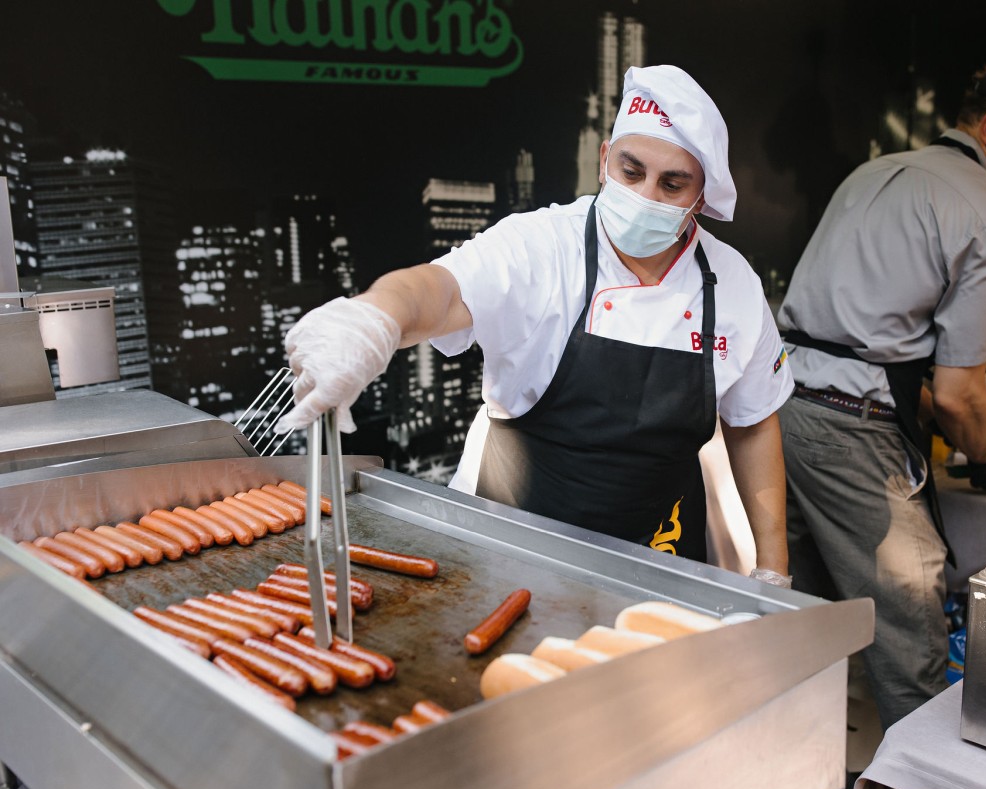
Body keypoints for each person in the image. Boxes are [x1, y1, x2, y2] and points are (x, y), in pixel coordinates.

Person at [278, 65, 793, 587]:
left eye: (672, 185)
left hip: (658, 551)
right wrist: (376, 317)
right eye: (630, 172)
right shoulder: (542, 246)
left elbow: (751, 424)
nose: (645, 197)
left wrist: (773, 570)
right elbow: (441, 289)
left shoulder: (731, 284)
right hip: (508, 540)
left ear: (701, 197)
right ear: (603, 161)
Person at [776, 50, 986, 728]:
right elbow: (960, 396)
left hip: (781, 412)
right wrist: (985, 456)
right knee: (910, 630)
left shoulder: (872, 174)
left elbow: (866, 348)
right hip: (850, 435)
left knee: (805, 627)